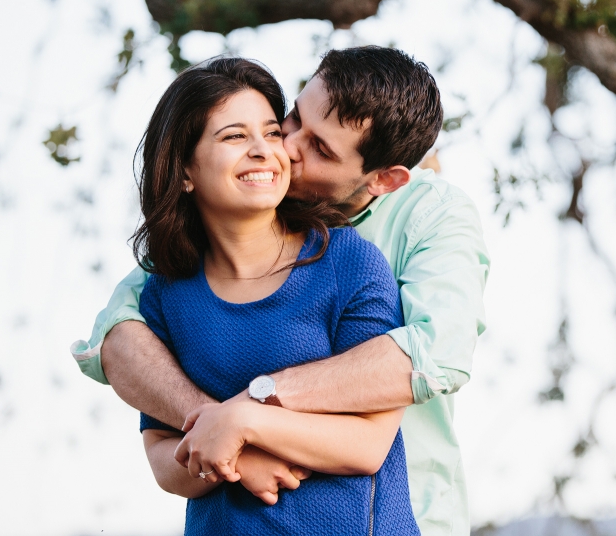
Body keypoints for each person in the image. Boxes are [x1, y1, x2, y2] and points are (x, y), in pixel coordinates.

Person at [71, 46, 490, 536]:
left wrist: (252, 409)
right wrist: (224, 440)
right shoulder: (184, 271)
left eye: (321, 149)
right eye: (292, 120)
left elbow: (432, 355)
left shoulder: (412, 227)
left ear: (382, 180)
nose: (285, 148)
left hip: (404, 509)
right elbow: (118, 336)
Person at [131, 56, 420, 534]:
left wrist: (244, 424)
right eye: (234, 136)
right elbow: (163, 454)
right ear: (184, 170)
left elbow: (368, 444)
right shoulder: (165, 293)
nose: (267, 150)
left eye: (270, 131)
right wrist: (238, 463)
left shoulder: (351, 264)